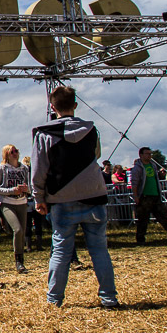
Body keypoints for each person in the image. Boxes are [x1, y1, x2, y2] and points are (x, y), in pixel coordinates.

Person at [31, 85, 119, 308]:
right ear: (76, 105)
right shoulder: (91, 129)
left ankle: (54, 300)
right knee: (99, 249)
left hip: (61, 198)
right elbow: (96, 154)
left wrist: (39, 197)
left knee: (60, 251)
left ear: (52, 107)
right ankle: (109, 298)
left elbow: (39, 168)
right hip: (94, 194)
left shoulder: (44, 134)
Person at [129, 147, 167, 245]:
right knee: (143, 220)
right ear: (141, 155)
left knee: (164, 218)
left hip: (155, 195)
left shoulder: (153, 165)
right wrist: (136, 196)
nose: (150, 156)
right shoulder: (137, 168)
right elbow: (134, 183)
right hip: (144, 196)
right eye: (147, 154)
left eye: (150, 154)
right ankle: (140, 240)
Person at [0, 145, 31, 273]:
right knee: (17, 229)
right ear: (6, 154)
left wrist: (27, 189)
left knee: (22, 231)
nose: (15, 153)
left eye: (16, 151)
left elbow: (31, 186)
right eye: (12, 152)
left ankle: (21, 260)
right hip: (7, 202)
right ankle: (18, 261)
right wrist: (11, 191)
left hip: (22, 202)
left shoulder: (24, 168)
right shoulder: (2, 168)